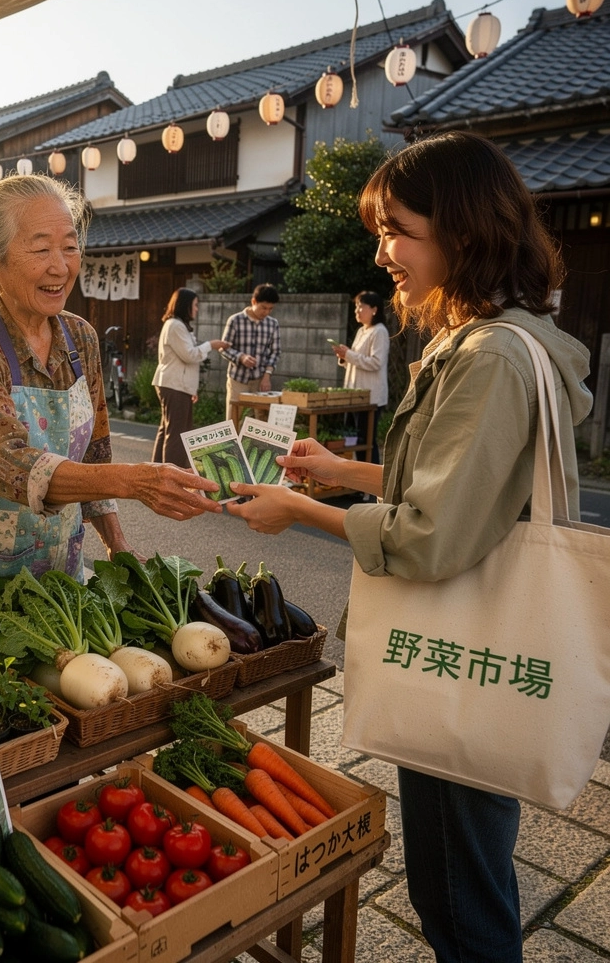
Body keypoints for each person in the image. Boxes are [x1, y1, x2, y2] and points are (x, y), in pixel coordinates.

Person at [226, 131, 592, 963]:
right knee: (461, 879)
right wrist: (342, 470)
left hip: (460, 656)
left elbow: (431, 533)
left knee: (460, 902)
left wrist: (297, 509)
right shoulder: (495, 337)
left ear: (462, 232)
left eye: (398, 229)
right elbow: (456, 478)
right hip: (475, 653)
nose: (384, 250)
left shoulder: (493, 356)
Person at [0, 174, 220, 617]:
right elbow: (6, 463)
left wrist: (116, 542)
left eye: (69, 246)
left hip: (56, 567)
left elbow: (95, 450)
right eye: (41, 247)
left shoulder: (80, 337)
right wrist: (134, 481)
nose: (60, 266)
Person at [151, 288, 229, 468]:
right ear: (185, 305)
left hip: (175, 384)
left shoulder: (176, 325)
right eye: (195, 305)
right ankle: (174, 475)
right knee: (178, 432)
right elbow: (190, 355)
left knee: (168, 430)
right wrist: (211, 345)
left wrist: (191, 389)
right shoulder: (176, 325)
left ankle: (156, 470)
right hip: (175, 385)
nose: (197, 309)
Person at [332, 290, 389, 464]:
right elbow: (356, 360)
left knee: (366, 441)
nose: (357, 311)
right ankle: (355, 484)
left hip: (370, 397)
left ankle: (370, 487)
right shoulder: (361, 330)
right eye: (356, 307)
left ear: (374, 309)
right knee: (351, 439)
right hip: (354, 394)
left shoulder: (379, 331)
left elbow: (376, 362)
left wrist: (348, 354)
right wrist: (344, 357)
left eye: (361, 306)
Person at [220, 284, 280, 427]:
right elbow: (223, 348)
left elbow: (275, 352)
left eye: (270, 309)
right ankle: (231, 449)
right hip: (237, 378)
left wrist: (267, 376)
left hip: (260, 378)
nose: (266, 312)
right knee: (233, 418)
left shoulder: (273, 324)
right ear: (254, 302)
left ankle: (257, 449)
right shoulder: (235, 320)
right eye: (263, 308)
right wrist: (241, 357)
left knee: (261, 420)